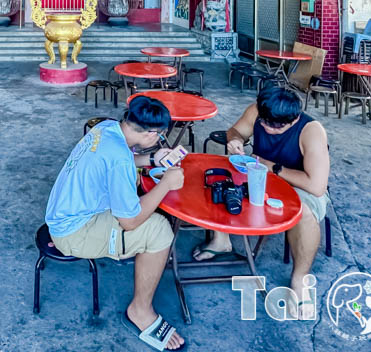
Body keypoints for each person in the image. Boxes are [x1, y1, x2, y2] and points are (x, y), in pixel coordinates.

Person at [45, 96, 186, 350]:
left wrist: (152, 160)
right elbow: (130, 221)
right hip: (74, 232)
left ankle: (141, 304)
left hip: (64, 213)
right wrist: (167, 184)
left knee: (146, 203)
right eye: (160, 135)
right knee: (159, 230)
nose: (159, 140)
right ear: (153, 133)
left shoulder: (107, 128)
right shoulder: (120, 156)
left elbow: (116, 163)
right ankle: (139, 312)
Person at [192, 84, 330, 319]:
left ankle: (299, 280)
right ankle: (221, 241)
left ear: (293, 119)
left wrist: (272, 167)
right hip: (258, 175)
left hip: (299, 186)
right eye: (264, 122)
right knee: (220, 181)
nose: (266, 128)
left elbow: (316, 185)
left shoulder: (311, 130)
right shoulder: (259, 110)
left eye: (275, 126)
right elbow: (235, 131)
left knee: (304, 214)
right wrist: (234, 141)